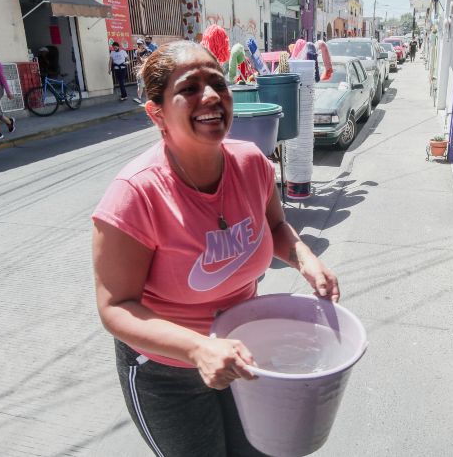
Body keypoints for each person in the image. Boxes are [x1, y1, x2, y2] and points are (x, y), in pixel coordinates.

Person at [91, 40, 340, 456]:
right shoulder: (134, 195)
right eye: (189, 88)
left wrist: (306, 260)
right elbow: (115, 307)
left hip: (244, 350)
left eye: (217, 84)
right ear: (157, 114)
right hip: (166, 373)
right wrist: (197, 348)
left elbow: (275, 225)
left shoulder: (253, 163)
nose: (210, 96)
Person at [132, 39, 151, 104]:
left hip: (146, 69)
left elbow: (149, 59)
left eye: (140, 44)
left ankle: (148, 100)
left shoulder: (148, 50)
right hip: (139, 69)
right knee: (140, 85)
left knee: (146, 85)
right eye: (138, 44)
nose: (139, 45)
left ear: (143, 44)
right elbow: (137, 60)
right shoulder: (136, 51)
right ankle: (139, 98)